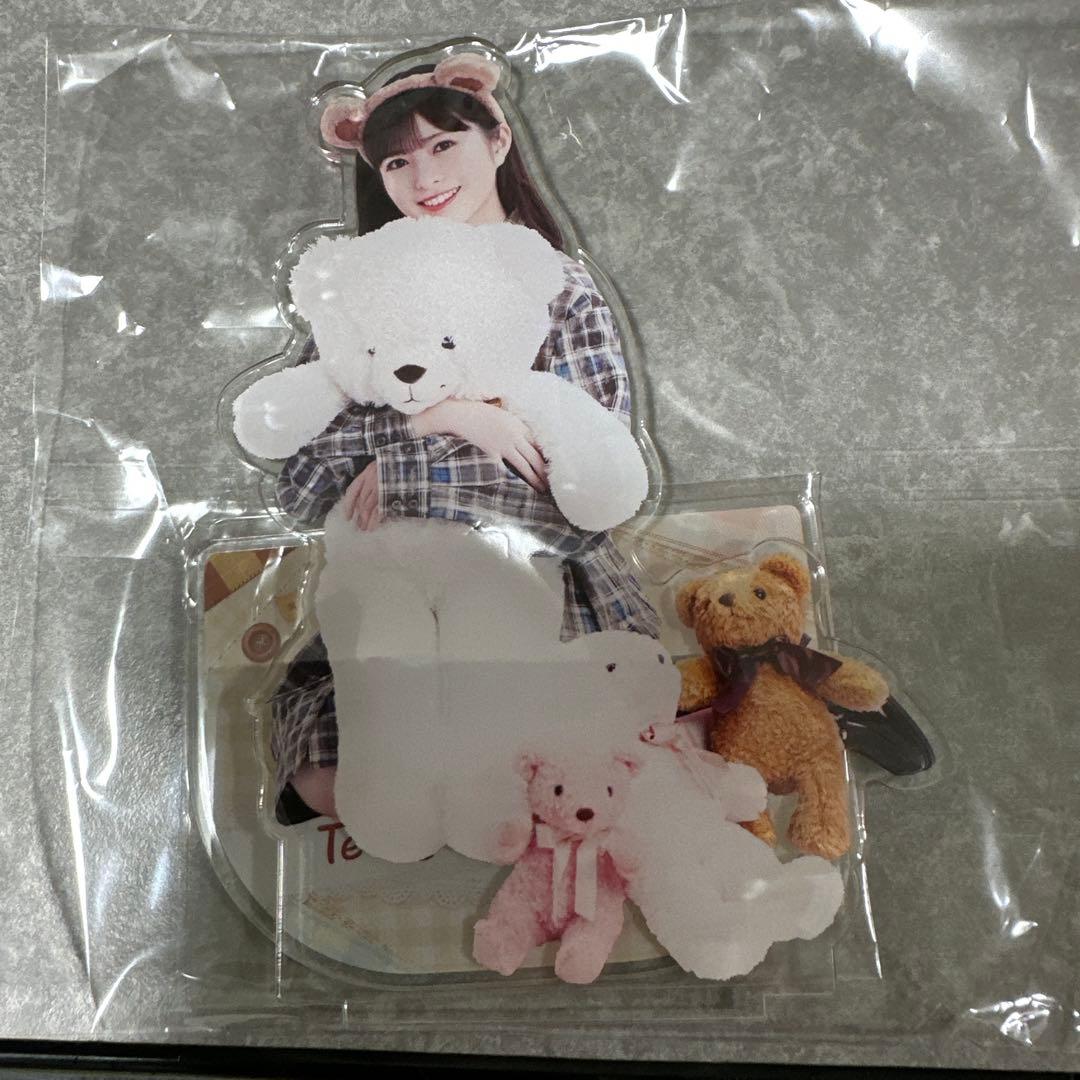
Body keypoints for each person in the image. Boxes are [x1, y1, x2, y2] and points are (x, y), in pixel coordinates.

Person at [269, 54, 660, 825]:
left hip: (543, 588)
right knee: (337, 772)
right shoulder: (365, 290)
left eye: (445, 144)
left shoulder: (559, 290)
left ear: (498, 140)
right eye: (397, 162)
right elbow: (303, 486)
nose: (425, 177)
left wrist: (405, 471)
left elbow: (588, 492)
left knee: (549, 764)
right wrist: (439, 420)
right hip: (394, 588)